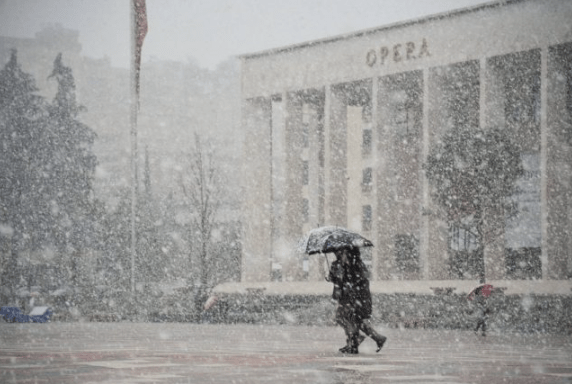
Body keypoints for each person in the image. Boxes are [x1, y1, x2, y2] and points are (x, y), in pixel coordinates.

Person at [329, 247, 387, 354]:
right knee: (353, 320)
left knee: (347, 318)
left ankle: (354, 342)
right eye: (338, 253)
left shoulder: (356, 266)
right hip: (351, 298)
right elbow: (340, 282)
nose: (339, 254)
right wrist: (333, 276)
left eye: (342, 253)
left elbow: (355, 282)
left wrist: (340, 278)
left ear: (349, 253)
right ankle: (373, 339)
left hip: (357, 298)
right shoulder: (342, 265)